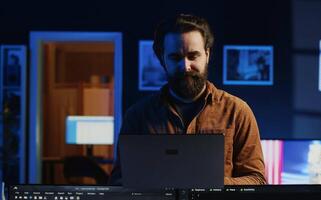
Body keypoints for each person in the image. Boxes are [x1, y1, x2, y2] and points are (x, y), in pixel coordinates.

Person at [109, 14, 266, 185]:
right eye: (175, 57)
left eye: (193, 56)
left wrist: (210, 184)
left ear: (207, 54)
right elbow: (118, 182)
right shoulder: (137, 116)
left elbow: (257, 180)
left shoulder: (238, 112)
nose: (185, 66)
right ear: (162, 59)